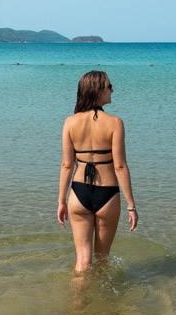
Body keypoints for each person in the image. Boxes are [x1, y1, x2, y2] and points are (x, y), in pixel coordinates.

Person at [57, 70, 138, 276]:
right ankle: (103, 306)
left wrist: (61, 202)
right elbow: (120, 166)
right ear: (98, 91)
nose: (112, 90)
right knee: (102, 259)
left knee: (82, 262)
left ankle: (78, 304)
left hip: (78, 194)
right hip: (107, 195)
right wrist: (131, 205)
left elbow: (67, 165)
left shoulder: (69, 122)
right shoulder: (115, 123)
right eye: (109, 86)